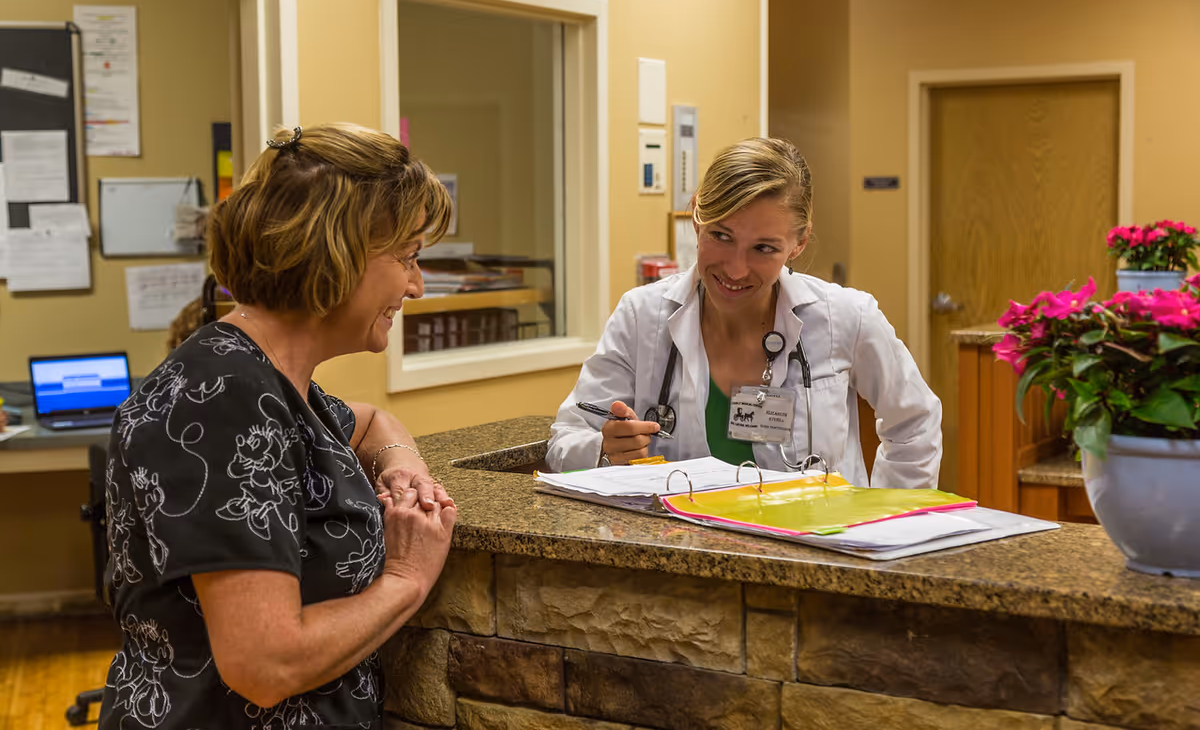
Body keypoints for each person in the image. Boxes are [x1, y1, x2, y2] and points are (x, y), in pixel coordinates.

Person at [101, 123, 458, 729]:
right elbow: (265, 665)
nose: (416, 286)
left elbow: (369, 422)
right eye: (407, 258)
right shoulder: (221, 399)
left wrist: (401, 462)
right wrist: (405, 578)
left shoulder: (270, 380)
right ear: (337, 254)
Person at [546, 137, 942, 488]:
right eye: (721, 236)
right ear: (697, 217)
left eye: (764, 248)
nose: (735, 270)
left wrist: (884, 528)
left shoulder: (845, 317)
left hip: (811, 556)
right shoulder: (642, 316)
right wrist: (603, 449)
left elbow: (914, 424)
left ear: (798, 244)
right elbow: (566, 437)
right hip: (680, 556)